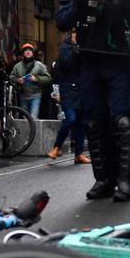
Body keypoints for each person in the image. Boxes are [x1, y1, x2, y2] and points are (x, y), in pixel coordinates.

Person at [57, 0, 130, 201]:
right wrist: (84, 0)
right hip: (92, 61)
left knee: (121, 122)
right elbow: (62, 20)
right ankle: (103, 179)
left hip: (122, 62)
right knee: (95, 122)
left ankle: (124, 181)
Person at [48, 32, 89, 163]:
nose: (77, 35)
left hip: (81, 88)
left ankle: (79, 153)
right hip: (68, 89)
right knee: (70, 119)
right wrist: (76, 48)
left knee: (82, 123)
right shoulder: (65, 47)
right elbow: (66, 62)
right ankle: (56, 147)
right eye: (75, 33)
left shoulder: (84, 46)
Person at [10, 43, 51, 119]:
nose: (28, 52)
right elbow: (11, 77)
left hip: (35, 95)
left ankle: (35, 130)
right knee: (26, 119)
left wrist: (36, 79)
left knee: (33, 117)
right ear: (23, 53)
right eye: (26, 51)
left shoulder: (39, 65)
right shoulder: (17, 66)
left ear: (32, 53)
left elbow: (48, 78)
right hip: (23, 96)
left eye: (30, 50)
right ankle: (30, 131)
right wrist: (17, 80)